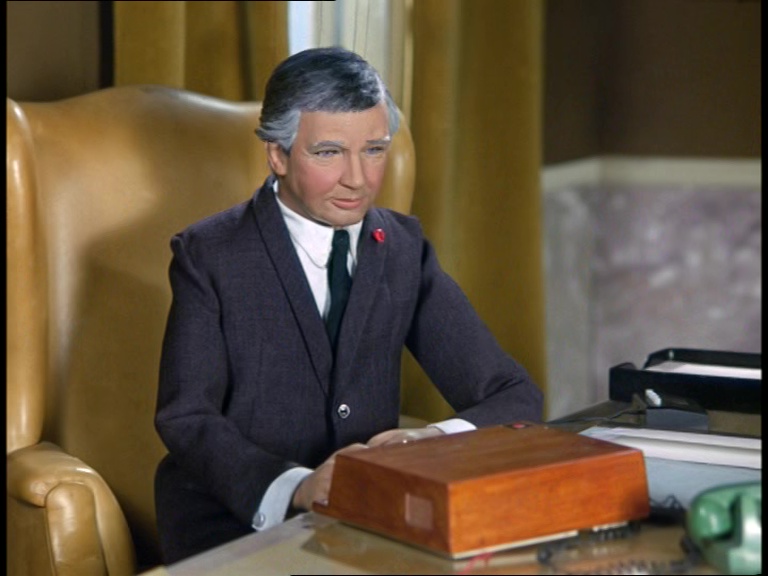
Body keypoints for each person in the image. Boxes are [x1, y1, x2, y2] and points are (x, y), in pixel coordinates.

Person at [154, 46, 543, 564]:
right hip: (235, 521)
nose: (358, 179)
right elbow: (186, 417)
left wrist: (430, 441)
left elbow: (513, 395)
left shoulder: (403, 249)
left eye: (374, 150)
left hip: (366, 520)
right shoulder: (210, 254)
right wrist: (297, 486)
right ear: (277, 155)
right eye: (329, 153)